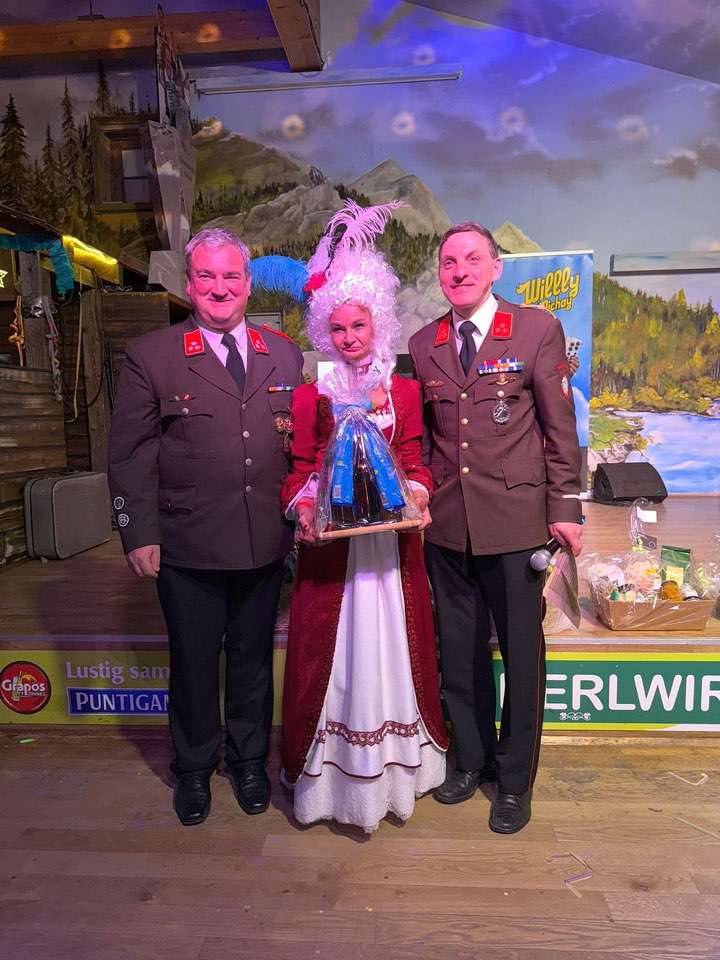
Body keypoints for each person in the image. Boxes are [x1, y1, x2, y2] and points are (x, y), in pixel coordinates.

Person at [108, 228, 304, 825]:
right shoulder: (152, 355)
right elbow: (129, 454)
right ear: (190, 284)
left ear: (247, 284)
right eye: (207, 276)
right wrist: (137, 532)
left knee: (252, 659)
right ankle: (192, 769)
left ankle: (248, 763)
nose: (220, 288)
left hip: (265, 540)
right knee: (193, 663)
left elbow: (298, 447)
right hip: (187, 543)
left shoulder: (284, 354)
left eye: (231, 276)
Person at [408, 222, 583, 834]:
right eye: (449, 262)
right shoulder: (424, 342)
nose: (460, 271)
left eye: (472, 259)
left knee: (521, 653)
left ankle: (513, 781)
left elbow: (560, 427)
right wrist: (416, 493)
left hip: (516, 522)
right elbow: (427, 441)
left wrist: (566, 506)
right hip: (447, 525)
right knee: (458, 653)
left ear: (495, 267)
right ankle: (469, 761)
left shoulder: (534, 329)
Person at [280, 202, 448, 833]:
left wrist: (418, 494)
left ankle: (400, 773)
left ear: (379, 321)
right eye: (339, 328)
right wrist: (305, 508)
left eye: (360, 324)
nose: (351, 337)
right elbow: (300, 469)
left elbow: (416, 459)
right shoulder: (312, 395)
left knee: (397, 651)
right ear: (325, 332)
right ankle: (334, 786)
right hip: (334, 555)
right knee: (337, 661)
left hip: (390, 552)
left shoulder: (403, 392)